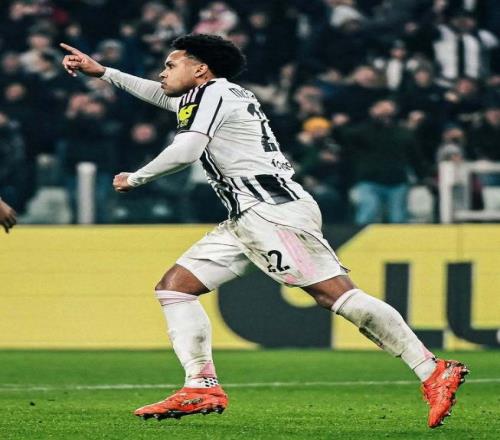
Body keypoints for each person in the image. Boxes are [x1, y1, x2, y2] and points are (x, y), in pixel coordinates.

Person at [60, 34, 468, 428]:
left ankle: (433, 370)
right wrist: (105, 73)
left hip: (273, 212)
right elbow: (158, 93)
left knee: (335, 295)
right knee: (175, 288)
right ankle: (200, 386)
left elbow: (187, 150)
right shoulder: (215, 94)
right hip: (246, 217)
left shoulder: (214, 93)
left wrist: (136, 178)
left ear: (200, 70)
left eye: (171, 65)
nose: (162, 73)